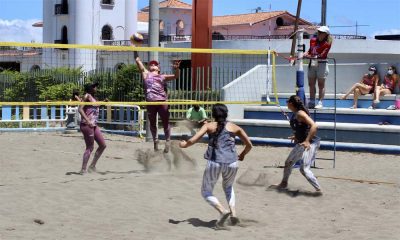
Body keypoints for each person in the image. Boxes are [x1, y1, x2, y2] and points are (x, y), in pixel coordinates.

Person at [179, 104, 253, 228]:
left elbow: (193, 140)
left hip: (215, 161)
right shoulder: (234, 126)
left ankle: (223, 211)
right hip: (232, 162)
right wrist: (243, 154)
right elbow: (249, 144)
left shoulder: (208, 125)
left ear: (213, 114)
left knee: (206, 192)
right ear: (226, 113)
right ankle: (233, 213)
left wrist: (183, 144)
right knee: (228, 187)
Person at [133, 49, 180, 153]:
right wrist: (135, 48)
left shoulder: (162, 76)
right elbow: (137, 60)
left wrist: (177, 69)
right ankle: (156, 141)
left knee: (166, 123)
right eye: (151, 64)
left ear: (159, 68)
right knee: (152, 124)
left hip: (162, 101)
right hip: (151, 102)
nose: (153, 65)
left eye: (155, 64)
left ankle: (168, 141)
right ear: (149, 67)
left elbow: (176, 76)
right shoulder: (145, 74)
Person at [273, 95, 322, 194]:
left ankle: (318, 189)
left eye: (287, 102)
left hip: (310, 143)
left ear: (290, 104)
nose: (286, 104)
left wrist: (307, 140)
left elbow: (314, 126)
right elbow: (302, 128)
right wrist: (296, 137)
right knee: (288, 162)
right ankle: (284, 183)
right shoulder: (295, 113)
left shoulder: (300, 113)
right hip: (301, 142)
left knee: (304, 169)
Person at [78, 82, 106, 174]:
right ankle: (83, 169)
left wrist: (103, 102)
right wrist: (87, 120)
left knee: (102, 145)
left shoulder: (94, 98)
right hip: (86, 125)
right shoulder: (86, 96)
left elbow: (95, 106)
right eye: (93, 86)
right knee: (90, 147)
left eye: (96, 86)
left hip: (94, 125)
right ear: (89, 88)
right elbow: (80, 109)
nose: (95, 87)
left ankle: (92, 166)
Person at [304, 26, 333, 109]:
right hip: (312, 64)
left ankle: (320, 102)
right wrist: (306, 53)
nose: (319, 33)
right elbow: (310, 50)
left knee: (321, 84)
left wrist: (309, 56)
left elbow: (322, 55)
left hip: (322, 64)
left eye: (321, 32)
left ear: (326, 34)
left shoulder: (328, 43)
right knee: (311, 83)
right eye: (318, 32)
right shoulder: (312, 40)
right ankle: (312, 101)